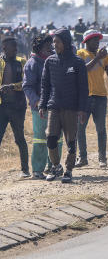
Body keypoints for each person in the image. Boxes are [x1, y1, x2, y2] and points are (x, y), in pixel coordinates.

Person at [39, 29, 89, 183]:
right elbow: (45, 85)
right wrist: (42, 104)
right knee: (51, 139)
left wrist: (82, 109)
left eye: (57, 42)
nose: (55, 45)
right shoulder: (50, 61)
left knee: (71, 142)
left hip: (71, 108)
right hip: (54, 106)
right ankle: (56, 166)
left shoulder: (78, 62)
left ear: (66, 43)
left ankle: (68, 170)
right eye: (54, 42)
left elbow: (83, 89)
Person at [76, 30, 108, 168]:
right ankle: (82, 157)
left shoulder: (103, 55)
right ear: (86, 41)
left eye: (98, 40)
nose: (97, 42)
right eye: (94, 40)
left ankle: (102, 158)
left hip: (100, 96)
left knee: (101, 129)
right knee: (80, 129)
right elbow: (83, 70)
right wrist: (97, 57)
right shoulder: (80, 54)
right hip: (84, 97)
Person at [22, 34, 59, 179]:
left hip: (55, 106)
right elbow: (27, 86)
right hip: (39, 109)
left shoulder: (54, 60)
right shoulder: (32, 63)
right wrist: (37, 101)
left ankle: (54, 167)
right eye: (47, 46)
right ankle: (37, 170)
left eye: (51, 45)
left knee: (56, 138)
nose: (50, 48)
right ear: (39, 48)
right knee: (40, 138)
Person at [0, 35, 29, 178]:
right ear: (4, 48)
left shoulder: (22, 62)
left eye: (16, 46)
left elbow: (26, 82)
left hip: (17, 107)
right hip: (2, 107)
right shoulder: (0, 63)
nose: (16, 49)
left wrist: (11, 86)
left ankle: (25, 169)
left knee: (19, 138)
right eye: (13, 46)